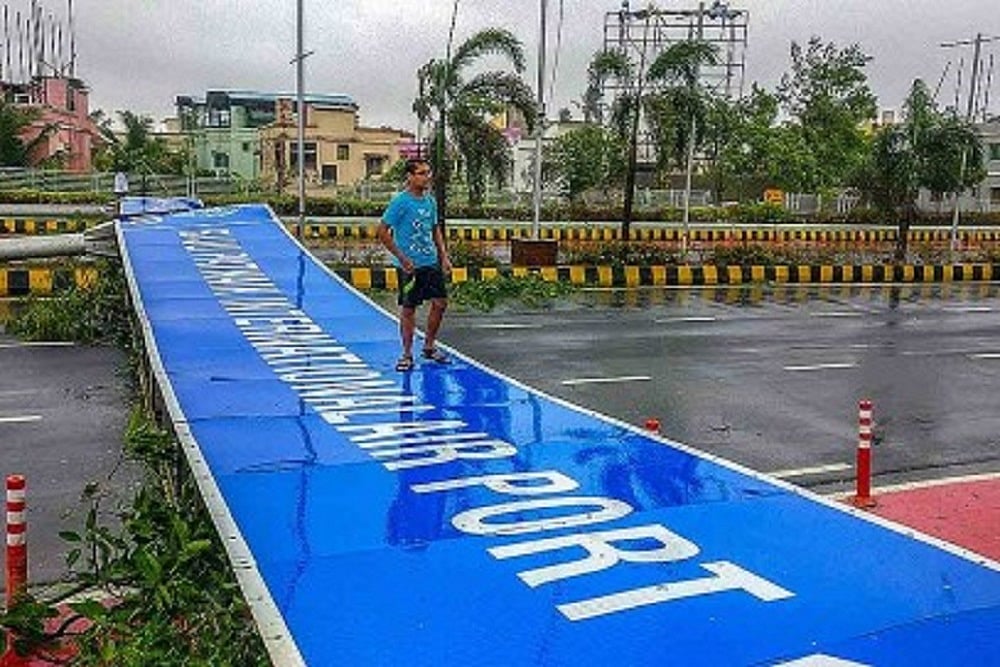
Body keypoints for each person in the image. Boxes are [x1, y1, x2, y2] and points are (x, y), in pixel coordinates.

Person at [377, 158, 453, 371]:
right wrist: (401, 258)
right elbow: (382, 232)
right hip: (409, 267)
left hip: (430, 262)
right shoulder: (400, 202)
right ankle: (407, 354)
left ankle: (429, 346)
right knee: (409, 308)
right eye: (421, 173)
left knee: (440, 303)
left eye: (427, 172)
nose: (426, 177)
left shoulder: (430, 202)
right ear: (410, 177)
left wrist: (444, 256)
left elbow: (435, 229)